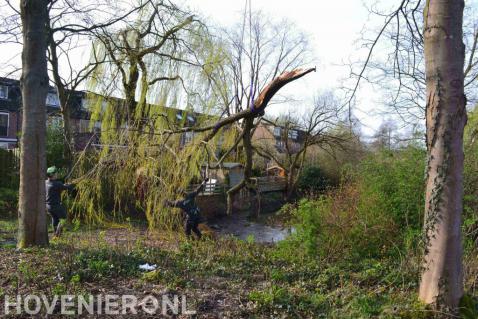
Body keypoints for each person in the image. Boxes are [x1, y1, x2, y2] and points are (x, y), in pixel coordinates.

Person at [45, 166, 74, 236]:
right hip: (56, 205)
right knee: (63, 218)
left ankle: (55, 234)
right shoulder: (57, 183)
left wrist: (64, 185)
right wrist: (71, 184)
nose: (57, 174)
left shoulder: (45, 182)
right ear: (52, 175)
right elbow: (67, 187)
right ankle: (58, 234)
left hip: (48, 206)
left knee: (55, 218)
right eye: (56, 173)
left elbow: (61, 186)